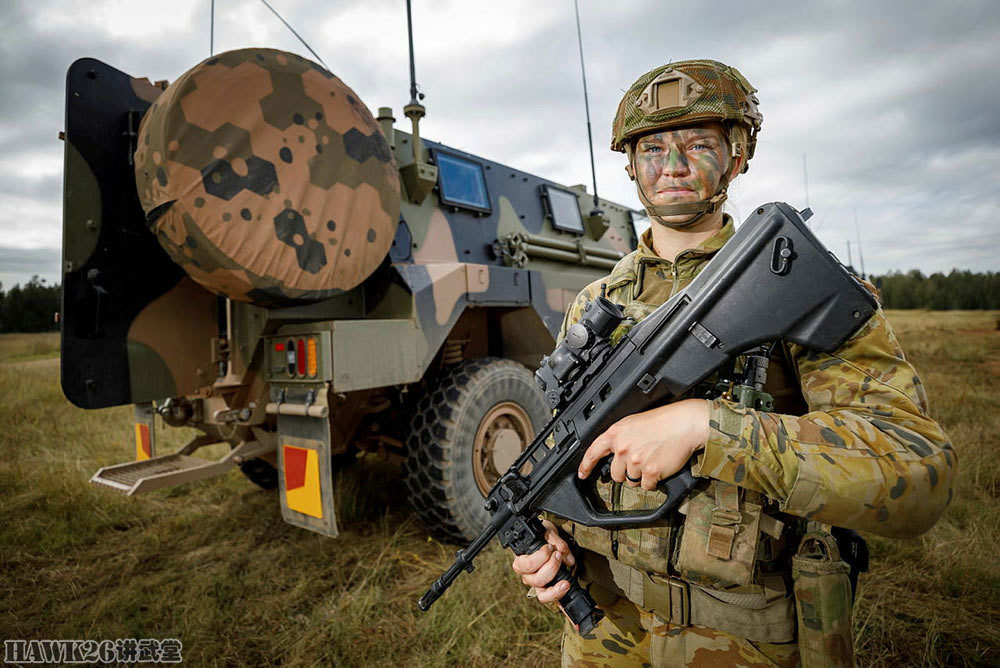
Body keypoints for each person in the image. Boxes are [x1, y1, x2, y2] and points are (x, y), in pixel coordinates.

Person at [511, 59, 955, 667]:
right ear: (631, 166)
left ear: (738, 155)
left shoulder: (791, 284)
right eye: (651, 149)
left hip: (749, 638)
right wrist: (548, 539)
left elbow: (916, 474)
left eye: (697, 144)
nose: (671, 167)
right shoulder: (597, 305)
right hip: (605, 633)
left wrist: (708, 427)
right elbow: (566, 450)